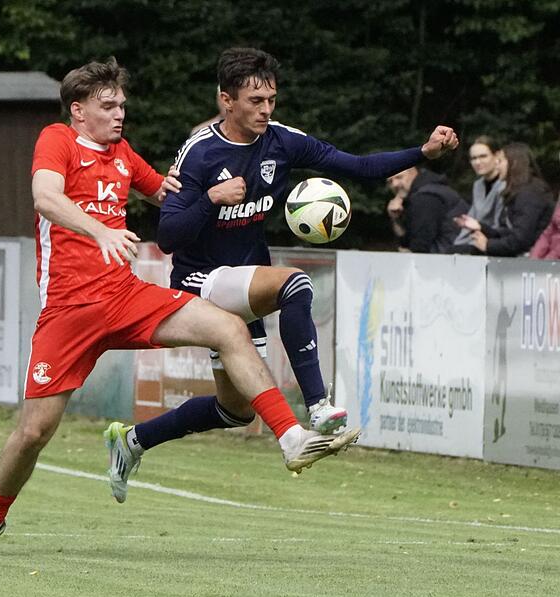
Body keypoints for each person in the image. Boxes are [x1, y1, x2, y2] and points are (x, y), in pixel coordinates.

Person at [0, 58, 359, 555]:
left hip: (124, 295)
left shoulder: (123, 155)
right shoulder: (58, 140)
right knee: (33, 432)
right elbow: (45, 198)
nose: (119, 115)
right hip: (69, 311)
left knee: (228, 328)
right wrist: (101, 230)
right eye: (108, 106)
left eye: (122, 106)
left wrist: (214, 187)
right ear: (78, 110)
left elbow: (171, 196)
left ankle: (290, 438)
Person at [102, 47, 459, 504]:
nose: (266, 109)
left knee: (234, 412)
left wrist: (422, 153)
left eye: (271, 99)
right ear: (226, 100)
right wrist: (211, 198)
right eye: (255, 101)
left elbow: (357, 167)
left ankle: (132, 441)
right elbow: (168, 236)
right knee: (295, 284)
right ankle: (320, 408)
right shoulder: (200, 154)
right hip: (200, 282)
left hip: (243, 282)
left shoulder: (282, 141)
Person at [455, 142, 553, 256]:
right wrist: (482, 227)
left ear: (513, 164)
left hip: (531, 260)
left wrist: (488, 245)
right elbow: (512, 232)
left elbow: (520, 240)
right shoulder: (521, 191)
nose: (496, 165)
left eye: (500, 161)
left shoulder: (529, 194)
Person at [386, 166, 468, 253]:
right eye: (390, 181)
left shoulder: (425, 197)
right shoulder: (426, 191)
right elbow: (406, 242)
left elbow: (419, 247)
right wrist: (396, 219)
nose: (394, 184)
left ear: (413, 173)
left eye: (399, 177)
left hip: (450, 259)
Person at [453, 136, 505, 251]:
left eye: (483, 156)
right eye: (473, 158)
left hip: (494, 241)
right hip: (475, 239)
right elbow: (473, 217)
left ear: (497, 155)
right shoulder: (478, 185)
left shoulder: (505, 185)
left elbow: (500, 225)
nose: (477, 162)